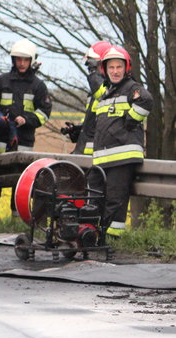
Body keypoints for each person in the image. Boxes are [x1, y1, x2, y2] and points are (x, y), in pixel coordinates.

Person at [0, 39, 52, 221]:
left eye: (25, 60)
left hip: (24, 143)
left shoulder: (38, 86)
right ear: (13, 59)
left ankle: (18, 223)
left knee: (21, 187)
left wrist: (27, 120)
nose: (21, 63)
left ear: (32, 60)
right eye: (18, 59)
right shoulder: (1, 82)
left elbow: (44, 113)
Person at [91, 45, 152, 239]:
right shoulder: (106, 93)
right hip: (102, 158)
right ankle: (92, 235)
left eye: (119, 67)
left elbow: (147, 100)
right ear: (105, 70)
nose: (115, 71)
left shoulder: (130, 88)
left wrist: (131, 119)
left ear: (126, 68)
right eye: (111, 68)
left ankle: (112, 239)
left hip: (123, 156)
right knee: (93, 196)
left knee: (115, 201)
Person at [60, 41, 111, 155]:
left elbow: (104, 95)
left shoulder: (113, 89)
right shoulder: (93, 92)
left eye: (94, 65)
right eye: (90, 66)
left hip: (97, 155)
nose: (91, 69)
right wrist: (78, 130)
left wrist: (93, 74)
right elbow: (93, 121)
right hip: (84, 153)